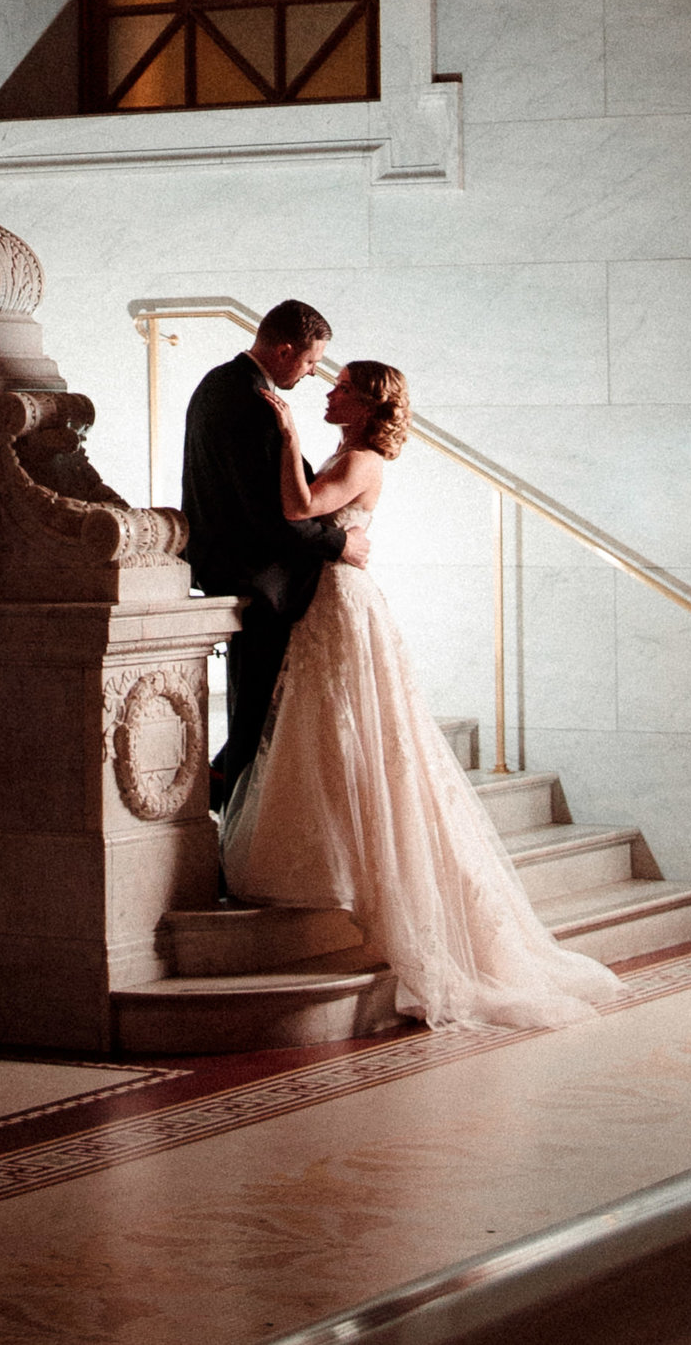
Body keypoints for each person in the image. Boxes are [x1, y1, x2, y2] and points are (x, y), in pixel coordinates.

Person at [221, 356, 626, 1035]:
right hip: (328, 599)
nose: (331, 391)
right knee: (324, 729)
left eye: (344, 387)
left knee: (353, 728)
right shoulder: (349, 451)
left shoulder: (363, 462)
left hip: (343, 605)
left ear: (370, 404)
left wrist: (287, 436)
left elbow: (297, 507)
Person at [181, 297, 356, 809]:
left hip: (230, 560)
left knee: (261, 706)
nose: (309, 374)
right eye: (307, 362)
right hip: (254, 572)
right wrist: (340, 542)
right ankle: (236, 820)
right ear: (283, 350)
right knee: (258, 710)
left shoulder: (225, 383)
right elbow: (271, 512)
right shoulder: (250, 399)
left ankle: (231, 796)